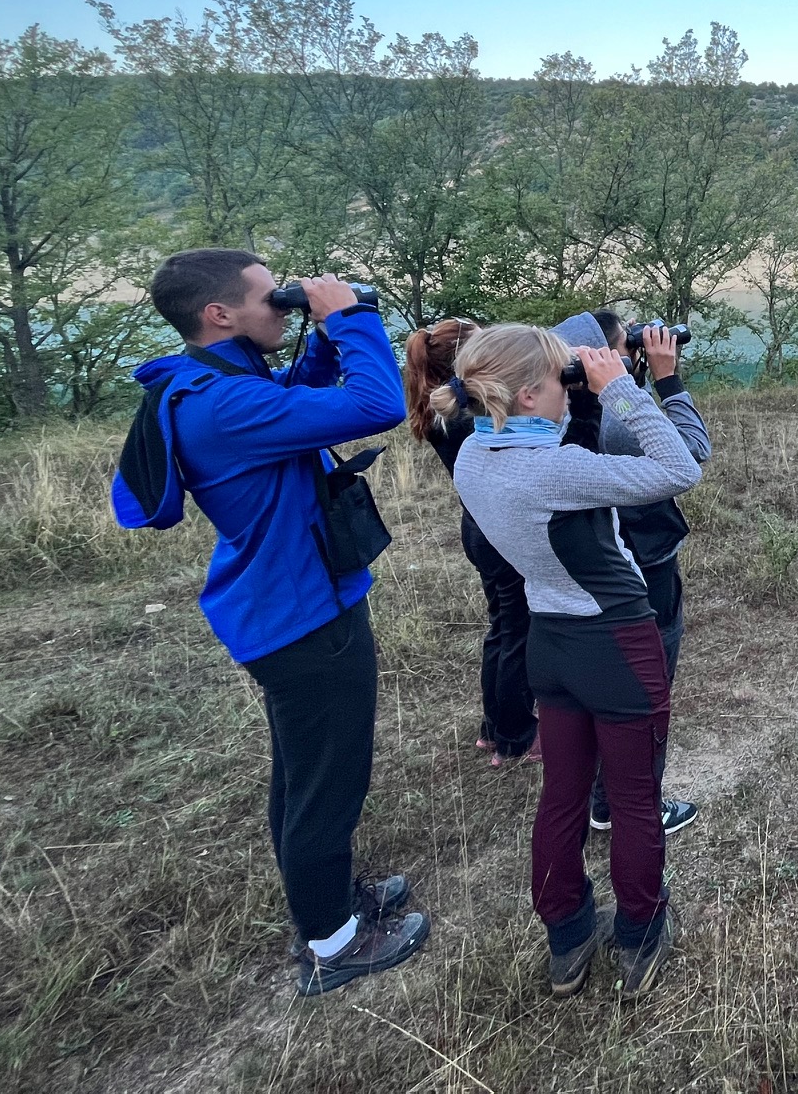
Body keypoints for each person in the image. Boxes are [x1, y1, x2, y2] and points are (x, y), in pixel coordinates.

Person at [111, 249, 428, 996]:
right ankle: (333, 942)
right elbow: (379, 405)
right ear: (219, 314)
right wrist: (352, 319)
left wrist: (317, 342)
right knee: (327, 783)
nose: (281, 307)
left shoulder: (216, 382)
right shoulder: (223, 403)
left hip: (286, 605)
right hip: (302, 615)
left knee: (303, 773)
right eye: (268, 299)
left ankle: (328, 903)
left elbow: (293, 400)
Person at [441, 324, 701, 998]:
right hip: (617, 643)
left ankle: (567, 936)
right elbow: (681, 468)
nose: (570, 388)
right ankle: (640, 934)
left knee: (562, 795)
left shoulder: (473, 455)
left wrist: (580, 397)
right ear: (529, 394)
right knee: (635, 798)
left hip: (550, 643)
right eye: (561, 380)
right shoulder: (556, 471)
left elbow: (564, 462)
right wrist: (621, 390)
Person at [552, 311, 710, 836]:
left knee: (606, 683)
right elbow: (692, 452)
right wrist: (666, 379)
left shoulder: (552, 412)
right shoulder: (616, 415)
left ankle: (601, 797)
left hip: (586, 570)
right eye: (626, 345)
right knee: (648, 684)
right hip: (645, 559)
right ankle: (632, 804)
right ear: (598, 358)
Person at [404, 319, 539, 767]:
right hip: (500, 530)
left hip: (478, 528)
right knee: (517, 631)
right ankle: (515, 736)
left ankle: (494, 728)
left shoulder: (444, 413)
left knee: (503, 627)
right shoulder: (472, 419)